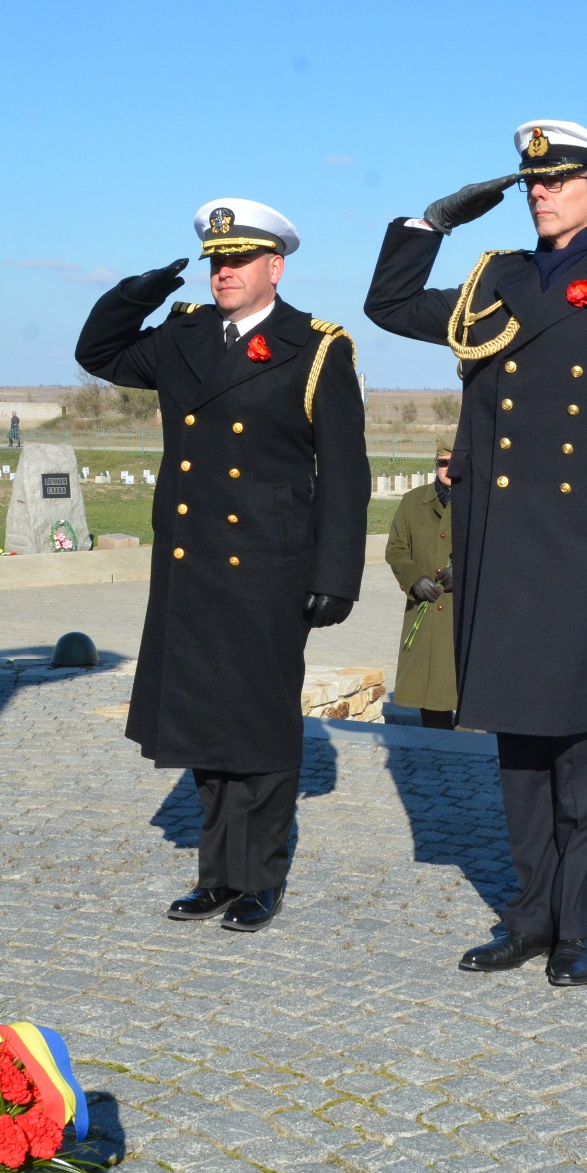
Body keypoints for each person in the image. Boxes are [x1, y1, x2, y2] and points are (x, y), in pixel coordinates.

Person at [367, 120, 587, 986]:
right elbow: (387, 307)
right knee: (518, 744)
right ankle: (529, 915)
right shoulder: (498, 280)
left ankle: (577, 926)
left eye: (560, 180)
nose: (541, 192)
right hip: (502, 545)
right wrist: (430, 225)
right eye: (533, 181)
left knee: (579, 743)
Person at [77, 198, 368, 934]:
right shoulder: (183, 337)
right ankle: (214, 877)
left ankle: (259, 880)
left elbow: (344, 469)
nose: (223, 271)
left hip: (271, 565)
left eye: (238, 260)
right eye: (215, 260)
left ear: (276, 266)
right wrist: (140, 289)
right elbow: (99, 354)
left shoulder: (317, 346)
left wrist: (336, 572)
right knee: (207, 717)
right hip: (193, 560)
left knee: (262, 723)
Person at [386, 440, 458, 728]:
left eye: (455, 463)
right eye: (443, 463)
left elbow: (500, 549)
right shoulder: (413, 502)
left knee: (470, 712)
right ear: (434, 464)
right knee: (431, 700)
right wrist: (414, 578)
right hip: (426, 616)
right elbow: (396, 548)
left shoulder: (483, 503)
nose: (448, 469)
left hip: (463, 618)